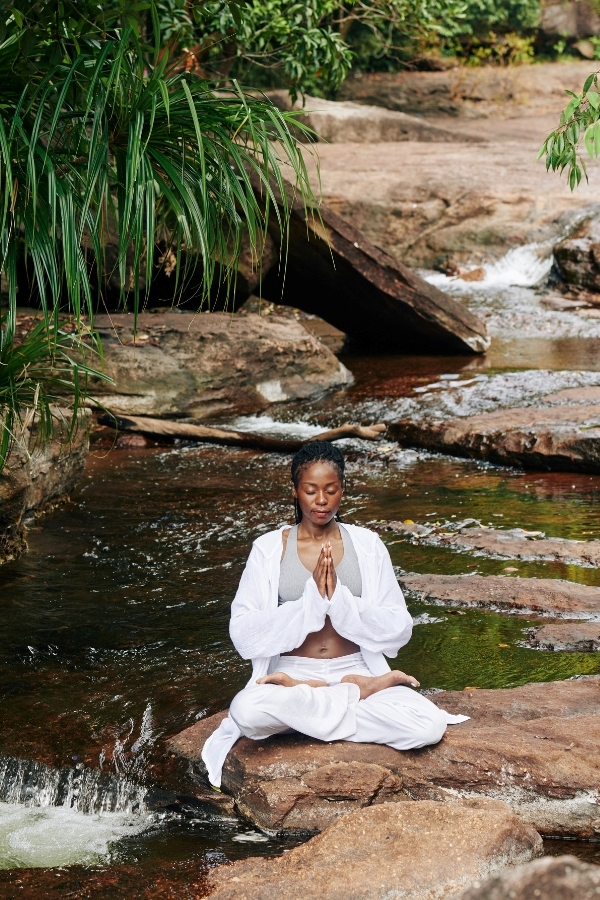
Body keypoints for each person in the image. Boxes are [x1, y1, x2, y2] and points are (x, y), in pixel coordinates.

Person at [201, 441, 467, 787]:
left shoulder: (368, 546)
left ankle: (332, 695)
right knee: (246, 713)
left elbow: (399, 626)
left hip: (354, 667)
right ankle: (353, 693)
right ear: (295, 491)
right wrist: (308, 604)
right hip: (293, 672)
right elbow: (244, 632)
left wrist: (341, 601)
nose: (321, 501)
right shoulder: (268, 549)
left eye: (331, 490)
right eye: (311, 491)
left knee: (428, 726)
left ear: (343, 489)